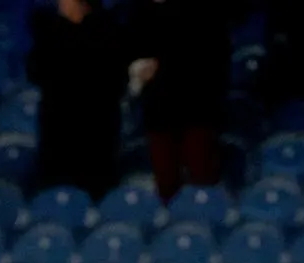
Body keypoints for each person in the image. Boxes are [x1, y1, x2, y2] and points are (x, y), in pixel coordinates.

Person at [127, 0, 229, 202]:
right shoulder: (141, 14)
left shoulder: (203, 11)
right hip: (159, 111)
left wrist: (161, 68)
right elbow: (133, 55)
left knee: (202, 180)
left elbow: (213, 58)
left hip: (198, 109)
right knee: (166, 183)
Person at [27, 0, 127, 198]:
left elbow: (117, 78)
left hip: (97, 132)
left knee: (97, 191)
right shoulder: (49, 31)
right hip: (58, 131)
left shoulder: (106, 30)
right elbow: (35, 71)